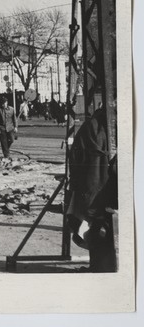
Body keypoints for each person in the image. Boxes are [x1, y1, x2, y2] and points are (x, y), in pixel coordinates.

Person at [66, 105, 117, 272]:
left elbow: (75, 157)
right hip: (111, 186)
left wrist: (76, 182)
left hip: (92, 186)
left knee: (94, 225)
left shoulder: (90, 126)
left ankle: (99, 266)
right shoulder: (121, 124)